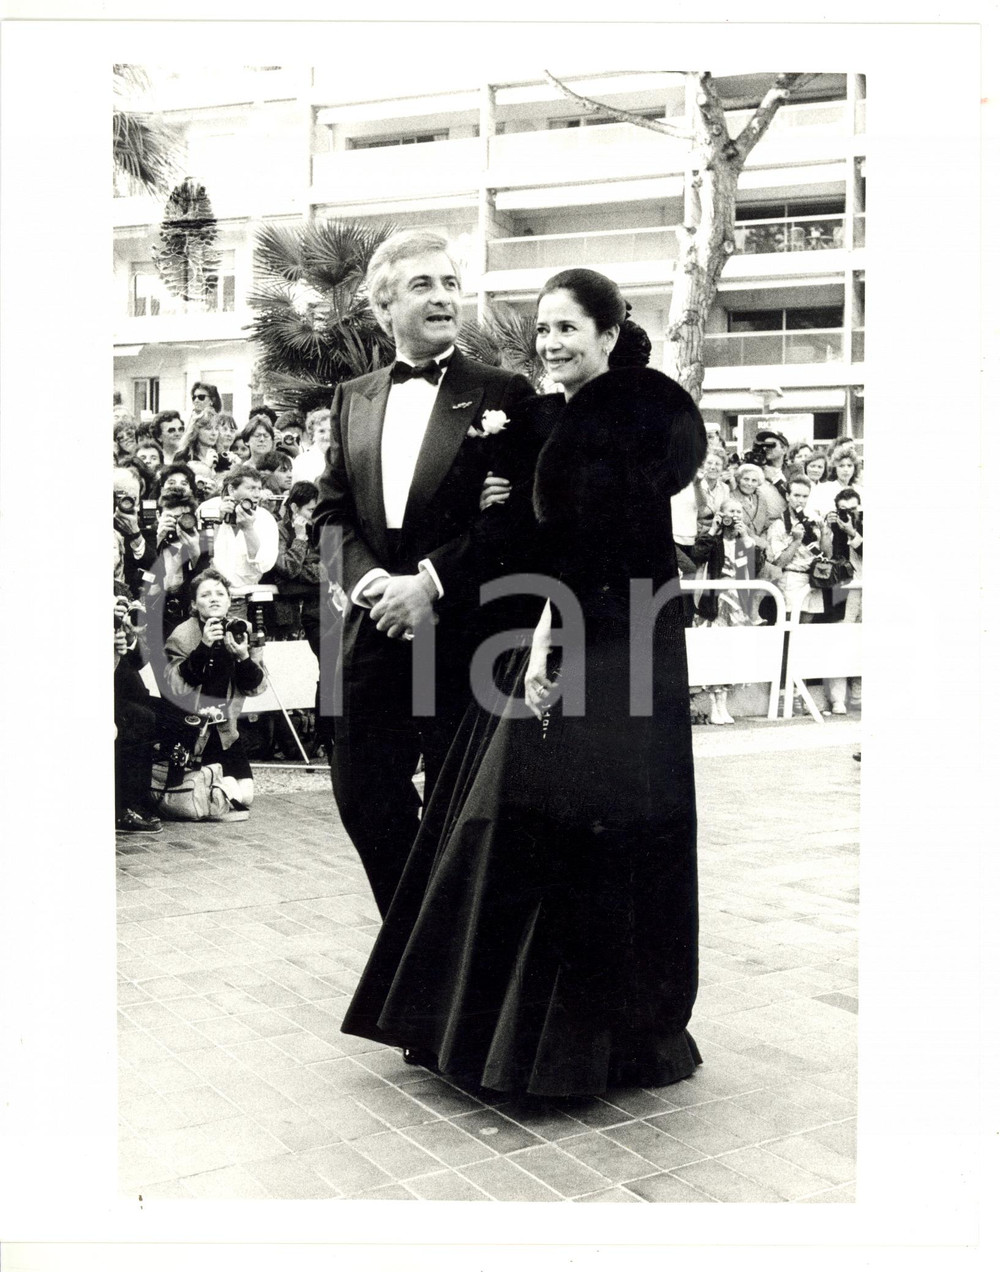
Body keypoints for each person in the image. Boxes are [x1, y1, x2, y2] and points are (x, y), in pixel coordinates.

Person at [341, 268, 706, 1098]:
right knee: (527, 821)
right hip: (572, 632)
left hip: (612, 644)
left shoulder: (634, 409)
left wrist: (548, 638)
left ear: (610, 335)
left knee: (579, 827)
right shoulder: (554, 415)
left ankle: (575, 1044)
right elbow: (525, 532)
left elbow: (603, 550)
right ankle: (503, 1032)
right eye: (543, 330)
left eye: (569, 329)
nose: (551, 344)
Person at [311, 228, 536, 917]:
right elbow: (330, 512)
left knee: (455, 809)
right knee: (363, 796)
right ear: (383, 309)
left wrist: (430, 583)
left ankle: (439, 986)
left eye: (449, 284)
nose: (443, 297)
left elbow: (515, 520)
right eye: (422, 286)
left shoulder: (505, 392)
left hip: (462, 636)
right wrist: (370, 582)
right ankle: (418, 946)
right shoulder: (354, 396)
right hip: (373, 634)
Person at [163, 567, 266, 813]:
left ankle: (217, 790)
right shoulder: (182, 635)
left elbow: (257, 687)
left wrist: (243, 658)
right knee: (228, 789)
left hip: (226, 730)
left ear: (229, 600)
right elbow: (176, 688)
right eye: (205, 595)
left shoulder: (242, 629)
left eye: (220, 593)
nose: (214, 598)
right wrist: (204, 646)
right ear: (194, 604)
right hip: (197, 731)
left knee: (246, 796)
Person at [688, 496, 761, 725]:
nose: (735, 516)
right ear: (721, 514)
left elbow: (756, 565)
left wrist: (747, 538)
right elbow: (697, 557)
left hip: (737, 603)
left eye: (739, 512)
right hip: (714, 603)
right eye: (730, 511)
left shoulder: (743, 540)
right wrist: (713, 529)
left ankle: (723, 705)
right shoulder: (712, 538)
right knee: (713, 651)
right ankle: (713, 706)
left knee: (731, 652)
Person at [198, 463, 279, 596]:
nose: (257, 494)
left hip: (245, 595)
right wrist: (216, 523)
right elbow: (197, 555)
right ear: (231, 489)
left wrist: (248, 529)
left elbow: (264, 565)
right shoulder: (208, 508)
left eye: (259, 488)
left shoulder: (266, 518)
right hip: (210, 593)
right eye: (251, 488)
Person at [805, 442, 862, 520]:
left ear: (855, 468)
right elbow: (809, 512)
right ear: (835, 469)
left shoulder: (860, 490)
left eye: (849, 466)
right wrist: (825, 518)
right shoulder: (823, 488)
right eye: (841, 466)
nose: (846, 470)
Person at [290, 408, 332, 484]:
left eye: (331, 431)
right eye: (321, 431)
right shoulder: (303, 461)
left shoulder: (344, 457)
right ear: (312, 434)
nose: (327, 436)